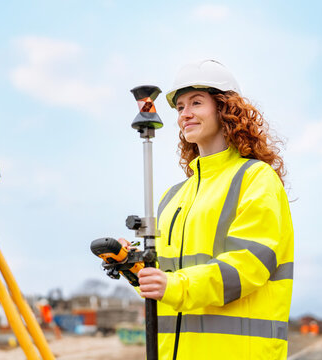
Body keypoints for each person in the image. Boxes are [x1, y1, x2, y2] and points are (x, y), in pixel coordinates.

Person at [119, 59, 294, 359]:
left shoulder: (256, 179)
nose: (185, 114)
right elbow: (166, 284)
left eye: (196, 103)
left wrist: (173, 286)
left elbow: (248, 266)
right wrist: (133, 268)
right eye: (180, 107)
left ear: (225, 109)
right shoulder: (172, 197)